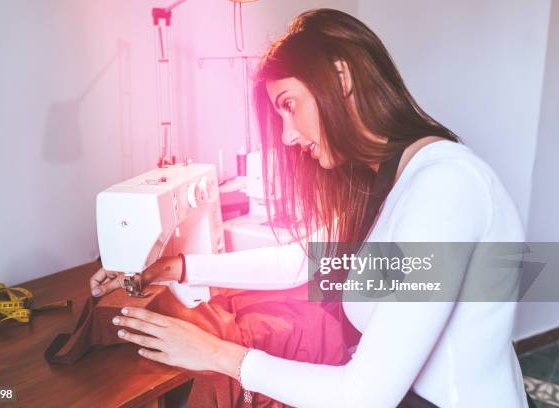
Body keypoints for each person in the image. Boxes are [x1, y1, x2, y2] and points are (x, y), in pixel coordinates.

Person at [90, 8, 528, 407]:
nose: (287, 137)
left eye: (289, 106)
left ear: (341, 77)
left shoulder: (444, 187)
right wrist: (175, 267)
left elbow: (364, 396)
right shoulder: (392, 180)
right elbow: (300, 262)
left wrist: (217, 354)